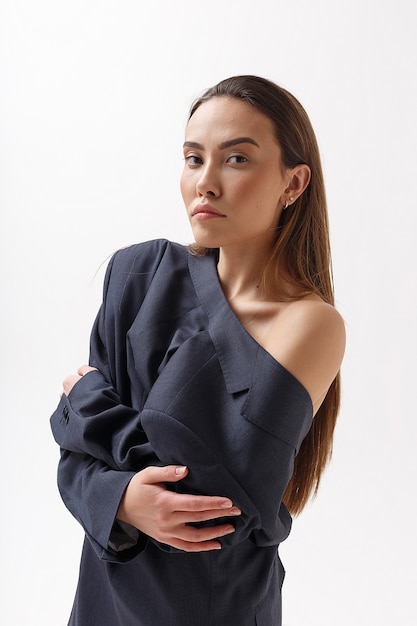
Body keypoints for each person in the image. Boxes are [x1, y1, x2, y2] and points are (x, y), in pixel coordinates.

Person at [50, 75, 345, 626]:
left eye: (236, 159)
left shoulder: (309, 323)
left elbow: (221, 499)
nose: (205, 183)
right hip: (105, 595)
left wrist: (88, 400)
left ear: (293, 183)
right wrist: (123, 500)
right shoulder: (139, 275)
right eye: (193, 158)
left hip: (216, 606)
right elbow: (71, 457)